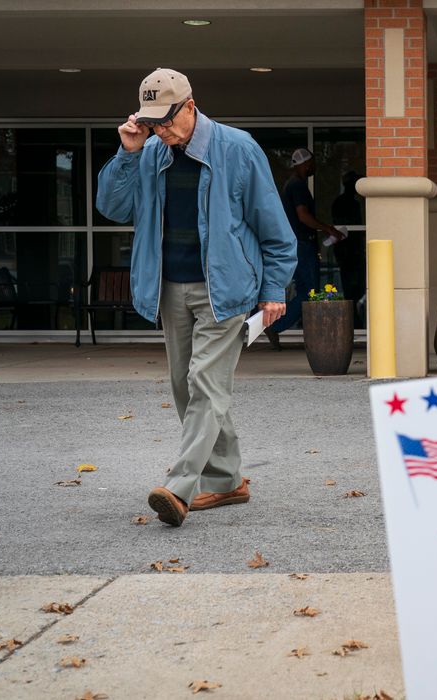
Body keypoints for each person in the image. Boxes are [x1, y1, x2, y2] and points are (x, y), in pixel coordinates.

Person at [95, 68, 296, 526]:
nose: (160, 131)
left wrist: (272, 289)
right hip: (169, 288)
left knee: (206, 383)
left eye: (166, 120)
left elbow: (273, 228)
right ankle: (226, 481)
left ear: (190, 106)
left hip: (224, 289)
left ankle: (180, 487)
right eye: (152, 123)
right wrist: (127, 152)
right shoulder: (146, 153)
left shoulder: (238, 148)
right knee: (187, 388)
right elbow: (111, 207)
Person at [264, 148, 346, 348]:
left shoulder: (291, 185)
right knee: (310, 292)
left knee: (306, 290)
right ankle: (277, 325)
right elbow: (303, 216)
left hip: (297, 244)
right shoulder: (298, 186)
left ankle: (280, 325)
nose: (314, 167)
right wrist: (328, 229)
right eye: (312, 163)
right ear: (306, 163)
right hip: (301, 245)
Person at [330, 170, 365, 326]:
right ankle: (352, 322)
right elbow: (345, 227)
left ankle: (355, 320)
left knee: (357, 288)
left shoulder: (353, 203)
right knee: (351, 288)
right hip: (348, 253)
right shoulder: (342, 203)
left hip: (354, 252)